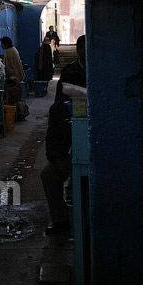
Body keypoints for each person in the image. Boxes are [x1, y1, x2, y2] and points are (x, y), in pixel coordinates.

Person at [40, 34, 87, 234]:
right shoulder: (70, 72)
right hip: (70, 144)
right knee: (49, 174)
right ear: (78, 51)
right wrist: (55, 156)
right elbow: (56, 113)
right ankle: (60, 221)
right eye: (84, 49)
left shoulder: (106, 71)